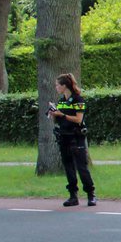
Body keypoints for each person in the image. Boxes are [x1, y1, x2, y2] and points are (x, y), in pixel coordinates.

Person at [48, 72, 96, 207]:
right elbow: (59, 118)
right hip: (64, 136)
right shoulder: (62, 101)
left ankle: (91, 194)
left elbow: (78, 119)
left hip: (76, 137)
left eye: (58, 85)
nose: (56, 87)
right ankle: (73, 196)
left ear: (64, 86)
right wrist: (53, 114)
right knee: (68, 167)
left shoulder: (78, 100)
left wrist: (61, 115)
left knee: (81, 167)